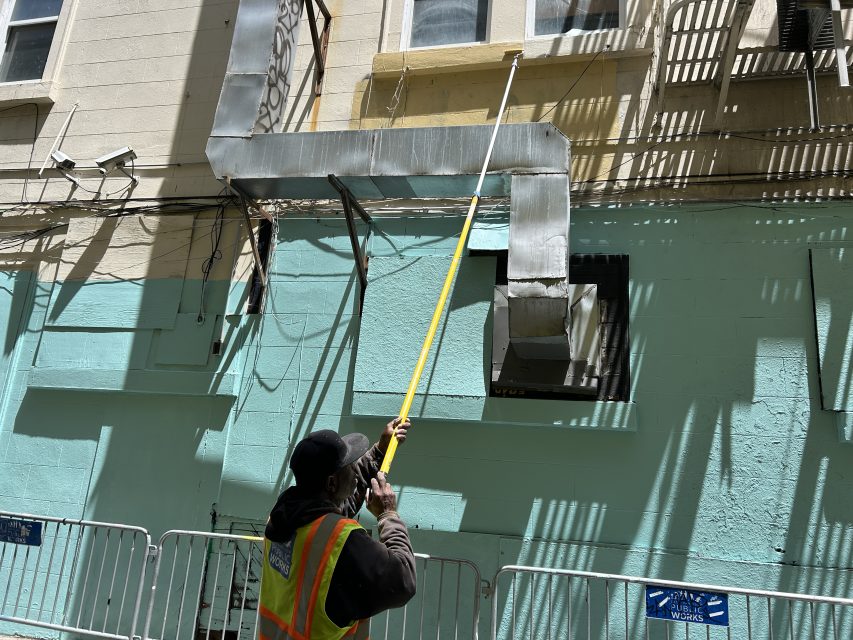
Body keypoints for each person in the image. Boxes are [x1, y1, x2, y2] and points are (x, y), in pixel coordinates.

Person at [258, 418, 416, 640]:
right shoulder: (340, 538)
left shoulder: (281, 518)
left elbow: (339, 502)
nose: (354, 469)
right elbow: (402, 581)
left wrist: (380, 451)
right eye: (350, 466)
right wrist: (387, 513)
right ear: (331, 483)